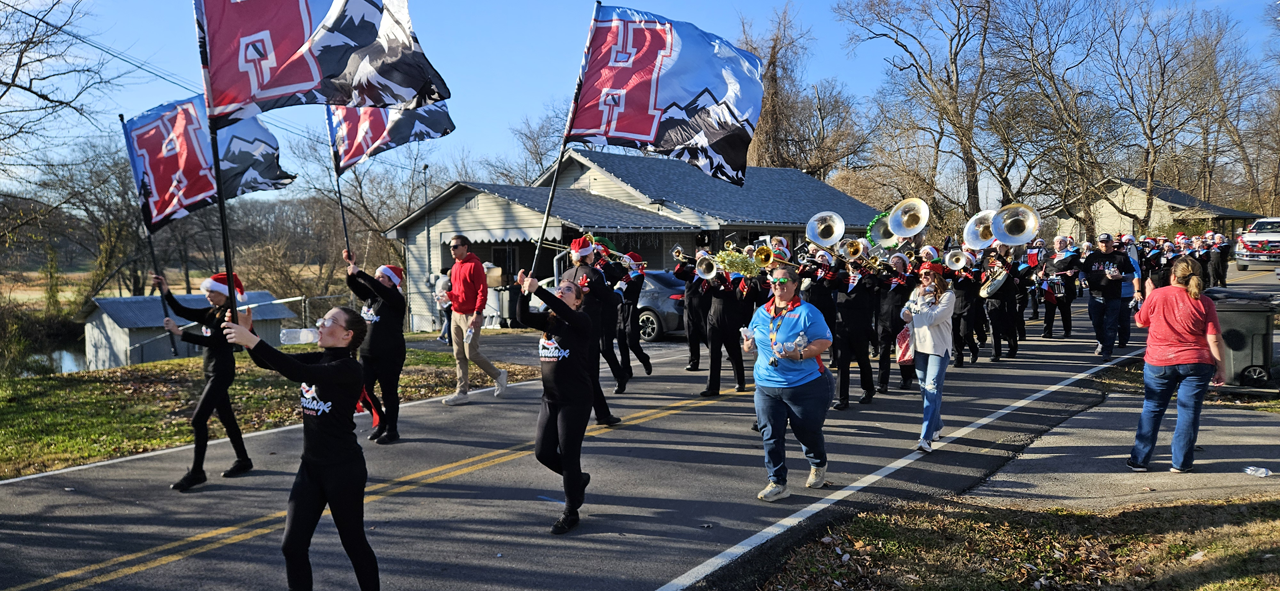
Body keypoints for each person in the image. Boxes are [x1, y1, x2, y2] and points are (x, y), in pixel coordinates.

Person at [223, 306, 379, 590]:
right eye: (322, 319)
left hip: (343, 469)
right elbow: (270, 363)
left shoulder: (349, 369)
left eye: (328, 321)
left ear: (347, 335)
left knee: (354, 544)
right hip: (311, 468)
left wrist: (250, 339)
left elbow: (298, 372)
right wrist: (250, 332)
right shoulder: (321, 358)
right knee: (292, 547)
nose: (320, 323)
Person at [743, 266, 834, 502]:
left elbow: (825, 340)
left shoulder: (807, 312)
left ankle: (818, 463)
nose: (777, 284)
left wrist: (800, 354)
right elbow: (752, 339)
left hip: (805, 385)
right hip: (766, 384)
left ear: (795, 284)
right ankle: (777, 482)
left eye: (783, 280)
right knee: (770, 434)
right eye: (773, 280)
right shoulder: (762, 312)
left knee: (807, 432)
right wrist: (748, 345)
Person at [515, 270, 596, 534]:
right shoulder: (550, 323)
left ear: (577, 301)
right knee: (543, 453)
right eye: (559, 288)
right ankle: (578, 481)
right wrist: (524, 292)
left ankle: (571, 511)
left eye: (568, 290)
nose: (561, 291)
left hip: (576, 401)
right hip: (550, 399)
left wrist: (540, 290)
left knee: (570, 457)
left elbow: (564, 310)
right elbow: (521, 316)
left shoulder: (580, 321)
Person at [155, 272, 253, 491]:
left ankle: (197, 472)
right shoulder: (212, 312)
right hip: (211, 372)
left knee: (198, 421)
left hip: (222, 372)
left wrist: (181, 334)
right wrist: (166, 291)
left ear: (224, 294)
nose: (208, 295)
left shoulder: (230, 315)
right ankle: (244, 460)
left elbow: (215, 341)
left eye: (212, 292)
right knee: (227, 417)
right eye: (207, 291)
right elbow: (181, 311)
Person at [1127, 257, 1225, 473]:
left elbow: (1141, 321)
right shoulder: (1204, 301)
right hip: (1196, 362)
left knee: (1152, 408)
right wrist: (1221, 368)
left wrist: (1150, 295)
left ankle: (1140, 460)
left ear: (1172, 275)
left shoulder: (1158, 295)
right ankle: (1181, 463)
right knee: (1189, 412)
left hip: (1159, 361)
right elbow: (1214, 339)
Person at [344, 249, 406, 444]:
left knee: (389, 393)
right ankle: (381, 422)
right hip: (367, 354)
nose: (377, 280)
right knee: (363, 391)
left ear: (391, 282)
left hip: (390, 354)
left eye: (381, 277)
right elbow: (353, 284)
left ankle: (392, 430)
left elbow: (371, 284)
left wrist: (361, 273)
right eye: (376, 276)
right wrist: (351, 267)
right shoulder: (372, 298)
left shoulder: (395, 300)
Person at [560, 237, 621, 426]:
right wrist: (620, 290)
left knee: (575, 371)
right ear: (589, 254)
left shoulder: (566, 274)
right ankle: (598, 414)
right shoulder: (594, 273)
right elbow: (609, 299)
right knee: (590, 373)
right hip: (589, 327)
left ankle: (599, 412)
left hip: (569, 327)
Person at [441, 235, 508, 406]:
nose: (452, 250)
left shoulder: (475, 265)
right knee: (458, 354)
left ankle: (498, 375)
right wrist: (446, 297)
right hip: (455, 314)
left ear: (465, 247)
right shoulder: (455, 267)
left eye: (455, 247)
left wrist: (478, 314)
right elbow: (458, 291)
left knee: (471, 352)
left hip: (471, 315)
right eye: (451, 247)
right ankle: (461, 391)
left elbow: (481, 291)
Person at [902, 262, 955, 453]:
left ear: (937, 276)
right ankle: (937, 425)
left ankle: (925, 437)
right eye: (921, 274)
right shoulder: (917, 292)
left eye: (928, 274)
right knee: (925, 389)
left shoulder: (948, 296)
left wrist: (922, 300)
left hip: (938, 348)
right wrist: (905, 312)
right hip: (920, 346)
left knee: (932, 388)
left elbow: (932, 319)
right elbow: (906, 310)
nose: (923, 277)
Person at [1083, 233, 1142, 362]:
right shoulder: (1092, 257)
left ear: (1111, 243)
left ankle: (1107, 351)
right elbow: (1083, 271)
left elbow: (1132, 275)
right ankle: (1101, 342)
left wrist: (1121, 277)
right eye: (1102, 242)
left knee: (1111, 324)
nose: (1104, 244)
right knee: (1096, 322)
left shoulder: (1121, 257)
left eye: (1107, 242)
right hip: (1095, 295)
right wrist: (1082, 279)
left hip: (1114, 296)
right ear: (1098, 243)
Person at [832, 254, 877, 407]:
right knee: (842, 362)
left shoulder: (867, 277)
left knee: (862, 360)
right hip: (842, 323)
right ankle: (842, 398)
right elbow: (827, 284)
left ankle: (868, 389)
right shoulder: (842, 276)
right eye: (852, 260)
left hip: (860, 324)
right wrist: (835, 266)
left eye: (858, 260)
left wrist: (861, 270)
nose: (854, 263)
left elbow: (872, 285)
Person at [700, 266, 747, 397]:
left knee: (734, 353)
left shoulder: (736, 280)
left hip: (730, 320)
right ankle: (712, 387)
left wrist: (724, 279)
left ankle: (740, 382)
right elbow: (702, 291)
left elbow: (733, 293)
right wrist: (708, 277)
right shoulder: (713, 282)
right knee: (713, 354)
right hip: (714, 320)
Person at [876, 254, 917, 393]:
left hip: (900, 320)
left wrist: (893, 271)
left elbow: (910, 284)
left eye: (898, 261)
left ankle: (906, 378)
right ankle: (882, 382)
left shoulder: (909, 278)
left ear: (904, 264)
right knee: (883, 352)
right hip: (883, 319)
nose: (894, 263)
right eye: (892, 261)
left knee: (902, 350)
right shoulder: (884, 279)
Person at [615, 253, 653, 385]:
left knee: (632, 341)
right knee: (621, 342)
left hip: (631, 309)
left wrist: (623, 274)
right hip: (620, 308)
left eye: (626, 261)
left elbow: (633, 289)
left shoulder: (638, 276)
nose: (623, 262)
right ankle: (626, 370)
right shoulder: (624, 274)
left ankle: (644, 359)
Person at [673, 250, 712, 372]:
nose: (698, 260)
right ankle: (693, 362)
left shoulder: (709, 272)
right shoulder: (690, 272)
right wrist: (684, 262)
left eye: (700, 258)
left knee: (706, 334)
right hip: (689, 307)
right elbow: (677, 273)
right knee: (691, 335)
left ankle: (715, 357)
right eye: (697, 258)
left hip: (703, 307)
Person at [981, 242, 1019, 361]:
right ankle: (995, 353)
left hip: (1008, 296)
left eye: (1001, 246)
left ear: (1006, 247)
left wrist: (1001, 260)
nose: (998, 248)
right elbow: (981, 275)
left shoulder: (1012, 261)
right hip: (993, 296)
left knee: (1009, 323)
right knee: (994, 325)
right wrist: (986, 275)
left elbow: (1014, 273)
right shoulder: (987, 261)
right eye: (996, 246)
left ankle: (1012, 348)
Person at [1040, 236, 1081, 339]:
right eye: (1057, 241)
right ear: (1054, 243)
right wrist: (1039, 272)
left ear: (1066, 243)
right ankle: (1047, 331)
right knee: (1049, 309)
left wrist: (1073, 272)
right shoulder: (1048, 255)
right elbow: (1040, 267)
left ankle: (1067, 330)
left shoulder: (1072, 256)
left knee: (1065, 310)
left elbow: (1078, 268)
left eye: (1062, 242)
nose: (1059, 243)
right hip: (1050, 285)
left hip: (1065, 285)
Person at [435, 268, 452, 345]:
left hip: (441, 301)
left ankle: (443, 335)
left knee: (447, 320)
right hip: (448, 302)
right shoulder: (447, 281)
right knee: (449, 321)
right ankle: (446, 336)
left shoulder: (438, 280)